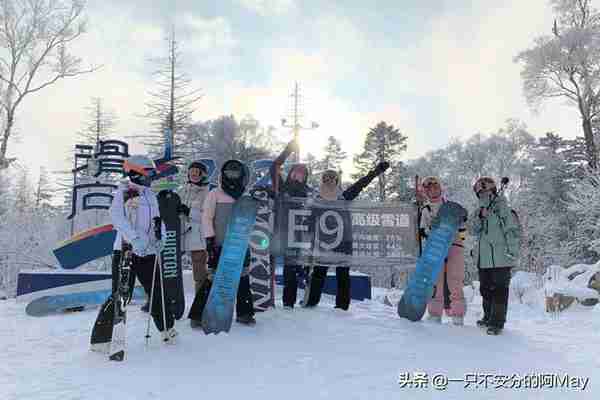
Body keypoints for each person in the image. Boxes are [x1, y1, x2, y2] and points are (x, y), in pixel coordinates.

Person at [110, 155, 177, 344]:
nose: (150, 177)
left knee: (157, 291)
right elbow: (117, 218)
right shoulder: (123, 192)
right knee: (122, 293)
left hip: (148, 251)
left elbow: (158, 220)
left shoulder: (150, 194)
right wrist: (134, 238)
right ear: (135, 172)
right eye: (147, 173)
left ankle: (166, 328)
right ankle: (110, 332)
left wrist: (161, 238)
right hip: (127, 251)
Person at [304, 162, 390, 310]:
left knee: (343, 274)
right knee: (319, 272)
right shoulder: (317, 200)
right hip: (324, 243)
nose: (329, 181)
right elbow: (310, 221)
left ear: (337, 181)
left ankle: (342, 306)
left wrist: (376, 171)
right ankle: (311, 302)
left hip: (344, 242)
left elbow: (361, 183)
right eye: (326, 178)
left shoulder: (345, 196)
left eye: (332, 178)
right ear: (322, 181)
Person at [187, 159, 256, 326]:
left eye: (235, 173)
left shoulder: (245, 195)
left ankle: (244, 313)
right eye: (228, 173)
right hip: (219, 244)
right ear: (223, 174)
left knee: (242, 277)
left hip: (240, 244)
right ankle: (198, 315)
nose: (231, 176)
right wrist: (210, 241)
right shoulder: (214, 194)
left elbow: (249, 221)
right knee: (213, 277)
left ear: (241, 175)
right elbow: (206, 217)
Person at [470, 176, 521, 335]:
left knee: (499, 289)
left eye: (487, 191)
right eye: (480, 193)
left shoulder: (503, 208)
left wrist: (512, 251)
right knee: (485, 289)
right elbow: (473, 230)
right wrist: (480, 216)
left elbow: (511, 230)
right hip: (484, 258)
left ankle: (497, 322)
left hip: (501, 256)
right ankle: (488, 316)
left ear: (493, 191)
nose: (484, 195)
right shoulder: (479, 211)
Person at [417, 176, 467, 325]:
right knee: (435, 281)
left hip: (454, 246)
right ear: (425, 191)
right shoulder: (425, 210)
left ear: (440, 188)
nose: (433, 190)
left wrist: (457, 239)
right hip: (435, 247)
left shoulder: (451, 205)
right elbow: (422, 230)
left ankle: (457, 315)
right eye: (429, 188)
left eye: (435, 187)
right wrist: (431, 230)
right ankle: (434, 314)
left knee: (455, 280)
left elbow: (463, 229)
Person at [178, 161, 211, 297]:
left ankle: (201, 301)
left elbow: (208, 215)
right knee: (171, 269)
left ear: (203, 175)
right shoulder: (182, 190)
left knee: (199, 273)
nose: (194, 175)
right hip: (181, 235)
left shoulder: (208, 192)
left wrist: (189, 211)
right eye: (191, 172)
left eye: (197, 172)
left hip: (198, 237)